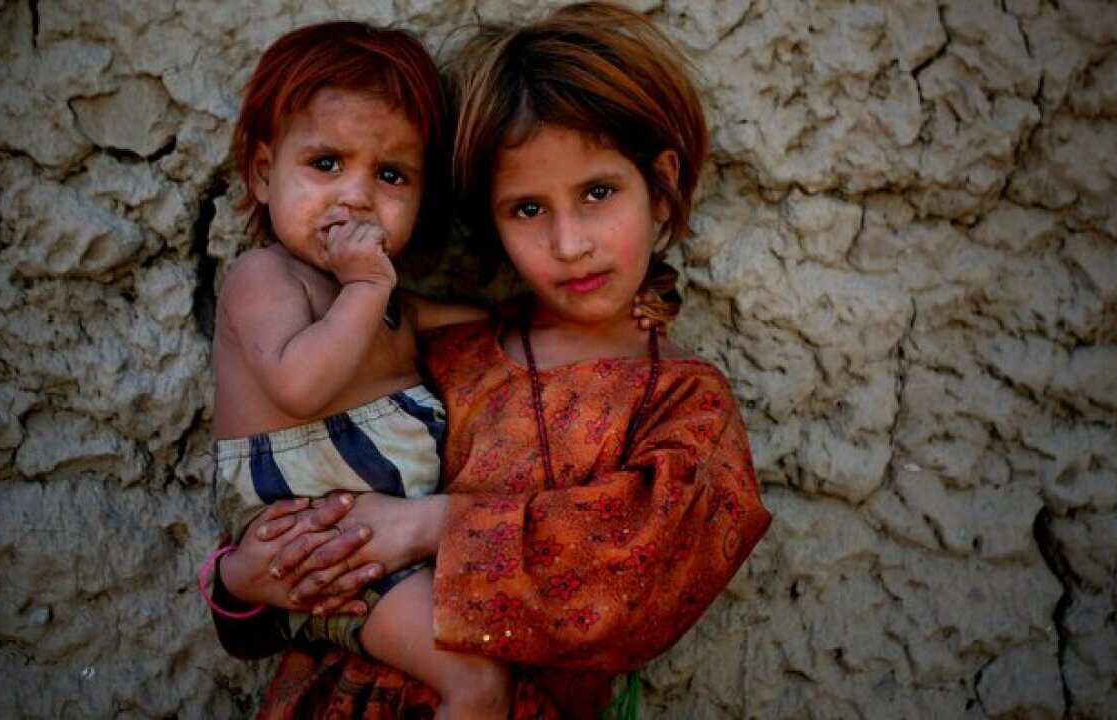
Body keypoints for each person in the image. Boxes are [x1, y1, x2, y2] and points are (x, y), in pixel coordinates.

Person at [210, 4, 773, 718]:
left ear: (660, 188)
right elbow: (280, 611)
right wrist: (239, 579)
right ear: (488, 219)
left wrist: (430, 524)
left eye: (598, 193)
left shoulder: (681, 400)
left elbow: (646, 573)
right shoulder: (445, 357)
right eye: (526, 210)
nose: (569, 244)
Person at [202, 21, 512, 719]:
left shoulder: (396, 306)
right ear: (262, 173)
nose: (356, 197)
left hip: (380, 548)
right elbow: (300, 384)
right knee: (478, 681)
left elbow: (501, 324)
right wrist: (367, 289)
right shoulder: (266, 278)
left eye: (391, 175)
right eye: (325, 164)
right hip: (330, 550)